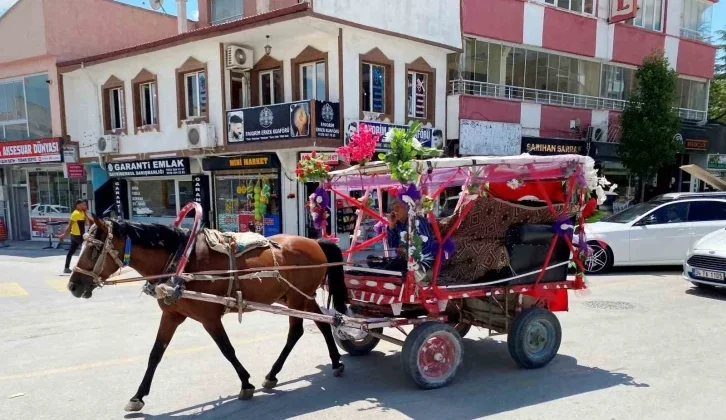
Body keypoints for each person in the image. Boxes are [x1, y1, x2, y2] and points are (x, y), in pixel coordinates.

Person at [384, 198, 436, 270]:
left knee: (390, 266)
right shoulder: (398, 224)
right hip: (404, 261)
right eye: (393, 208)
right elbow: (392, 245)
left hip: (421, 261)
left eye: (397, 207)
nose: (395, 211)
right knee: (374, 260)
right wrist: (391, 226)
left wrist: (406, 251)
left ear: (407, 208)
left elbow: (427, 245)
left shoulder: (418, 221)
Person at [60, 199, 93, 274]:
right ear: (77, 205)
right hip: (77, 236)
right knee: (86, 251)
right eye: (81, 205)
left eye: (83, 205)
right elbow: (69, 225)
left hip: (77, 235)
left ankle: (66, 268)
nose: (83, 206)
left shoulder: (82, 212)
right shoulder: (75, 214)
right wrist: (64, 235)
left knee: (71, 252)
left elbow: (86, 223)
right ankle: (86, 268)